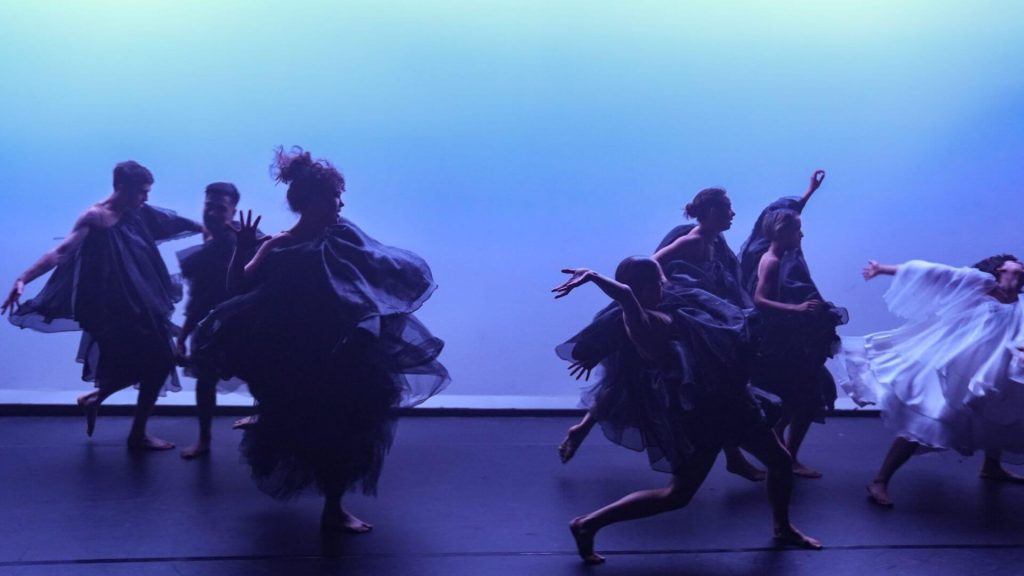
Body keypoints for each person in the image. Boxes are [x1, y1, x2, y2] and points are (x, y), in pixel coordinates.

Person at [195, 147, 449, 532]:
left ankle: (334, 507)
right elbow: (237, 285)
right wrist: (243, 249)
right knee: (309, 425)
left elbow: (378, 270)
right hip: (297, 353)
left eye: (339, 195)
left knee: (346, 427)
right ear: (311, 200)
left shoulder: (344, 235)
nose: (340, 202)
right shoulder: (277, 244)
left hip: (345, 351)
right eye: (333, 196)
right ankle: (331, 505)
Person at [554, 258, 820, 565]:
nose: (664, 285)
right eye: (656, 282)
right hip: (702, 415)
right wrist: (593, 276)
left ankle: (782, 527)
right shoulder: (642, 324)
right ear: (642, 288)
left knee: (780, 461)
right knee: (676, 496)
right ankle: (587, 524)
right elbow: (626, 296)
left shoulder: (669, 308)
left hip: (731, 402)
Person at [558, 187, 765, 482]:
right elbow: (651, 262)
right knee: (645, 379)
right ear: (710, 213)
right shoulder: (691, 240)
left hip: (697, 322)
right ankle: (731, 457)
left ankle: (581, 428)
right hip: (680, 320)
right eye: (727, 209)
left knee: (631, 380)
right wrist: (664, 284)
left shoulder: (715, 240)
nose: (732, 214)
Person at [2, 161, 201, 449]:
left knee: (153, 362)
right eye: (141, 192)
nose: (146, 198)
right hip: (111, 309)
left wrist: (206, 228)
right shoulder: (95, 217)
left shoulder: (136, 212)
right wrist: (24, 277)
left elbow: (171, 221)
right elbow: (61, 251)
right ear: (122, 187)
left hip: (139, 303)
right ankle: (133, 432)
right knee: (157, 361)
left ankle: (97, 401)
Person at [836, 256, 1024, 506]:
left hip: (993, 369)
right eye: (1014, 263)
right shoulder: (981, 284)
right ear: (1000, 269)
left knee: (1000, 412)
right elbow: (936, 273)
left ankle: (991, 466)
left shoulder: (1021, 302)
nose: (1020, 265)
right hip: (956, 367)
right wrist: (883, 269)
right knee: (932, 417)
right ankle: (880, 480)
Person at [743, 173, 847, 477]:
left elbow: (788, 214)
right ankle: (782, 456)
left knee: (807, 398)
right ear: (783, 232)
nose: (802, 236)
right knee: (788, 401)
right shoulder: (771, 259)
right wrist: (797, 307)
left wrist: (809, 192)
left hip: (796, 340)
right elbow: (759, 299)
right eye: (797, 231)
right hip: (780, 343)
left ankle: (789, 455)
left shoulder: (787, 252)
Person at [176, 182, 249, 459]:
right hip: (211, 325)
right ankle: (204, 439)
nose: (213, 213)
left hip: (242, 323)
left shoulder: (240, 240)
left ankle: (266, 422)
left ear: (232, 211)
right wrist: (184, 335)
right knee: (205, 379)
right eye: (209, 207)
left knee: (263, 374)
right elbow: (199, 298)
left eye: (221, 208)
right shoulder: (212, 243)